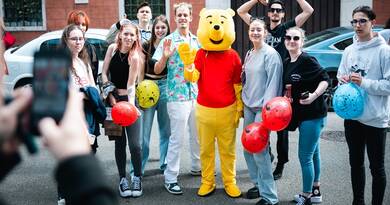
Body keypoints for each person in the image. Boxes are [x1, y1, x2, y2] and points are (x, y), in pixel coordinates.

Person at [237, 0, 314, 183]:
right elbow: (241, 11)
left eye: (279, 10)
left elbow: (308, 10)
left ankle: (281, 163)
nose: (275, 13)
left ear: (283, 14)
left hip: (282, 81)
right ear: (268, 13)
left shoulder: (286, 28)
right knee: (262, 129)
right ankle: (267, 156)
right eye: (272, 10)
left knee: (281, 129)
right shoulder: (261, 27)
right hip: (264, 81)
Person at [337, 6, 390, 205]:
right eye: (355, 22)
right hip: (352, 117)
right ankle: (357, 201)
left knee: (376, 168)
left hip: (376, 118)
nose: (358, 25)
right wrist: (342, 79)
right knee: (355, 164)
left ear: (372, 23)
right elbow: (341, 73)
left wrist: (364, 83)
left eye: (362, 21)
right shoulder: (349, 50)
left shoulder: (384, 51)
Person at [153, 2, 201, 195]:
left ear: (191, 17)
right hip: (176, 95)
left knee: (197, 136)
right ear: (175, 18)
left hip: (195, 94)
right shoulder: (168, 41)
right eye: (179, 15)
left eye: (185, 15)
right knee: (177, 138)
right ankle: (171, 178)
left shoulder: (197, 41)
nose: (182, 18)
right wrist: (164, 57)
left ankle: (197, 167)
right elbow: (156, 69)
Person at [282, 27, 329, 205]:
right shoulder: (287, 62)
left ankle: (306, 194)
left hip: (313, 114)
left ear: (302, 41)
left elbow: (325, 79)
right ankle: (316, 191)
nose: (291, 41)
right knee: (314, 153)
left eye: (296, 38)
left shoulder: (307, 60)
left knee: (305, 156)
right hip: (300, 115)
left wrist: (314, 96)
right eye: (288, 37)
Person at [240, 17, 283, 205]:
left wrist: (266, 115)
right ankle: (258, 185)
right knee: (247, 148)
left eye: (259, 30)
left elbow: (274, 84)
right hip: (248, 105)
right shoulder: (250, 53)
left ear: (265, 33)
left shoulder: (271, 55)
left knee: (260, 151)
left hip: (263, 109)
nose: (255, 33)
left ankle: (270, 196)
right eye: (252, 30)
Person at [101, 19, 145, 198]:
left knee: (135, 145)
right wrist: (110, 96)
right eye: (125, 33)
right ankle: (122, 179)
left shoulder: (135, 57)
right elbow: (103, 73)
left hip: (128, 100)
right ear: (120, 34)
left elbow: (131, 86)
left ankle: (137, 177)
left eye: (131, 35)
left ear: (136, 38)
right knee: (120, 143)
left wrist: (131, 107)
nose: (128, 37)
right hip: (112, 97)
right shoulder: (112, 49)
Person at [140, 15, 171, 174]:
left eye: (163, 27)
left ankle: (165, 163)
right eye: (157, 27)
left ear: (167, 29)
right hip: (148, 87)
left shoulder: (171, 45)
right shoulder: (145, 45)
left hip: (166, 86)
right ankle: (139, 167)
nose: (160, 30)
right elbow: (140, 69)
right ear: (153, 29)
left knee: (166, 131)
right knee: (143, 133)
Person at [67, 10, 99, 83]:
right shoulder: (64, 48)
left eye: (83, 24)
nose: (81, 27)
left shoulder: (90, 48)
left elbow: (93, 75)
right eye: (77, 24)